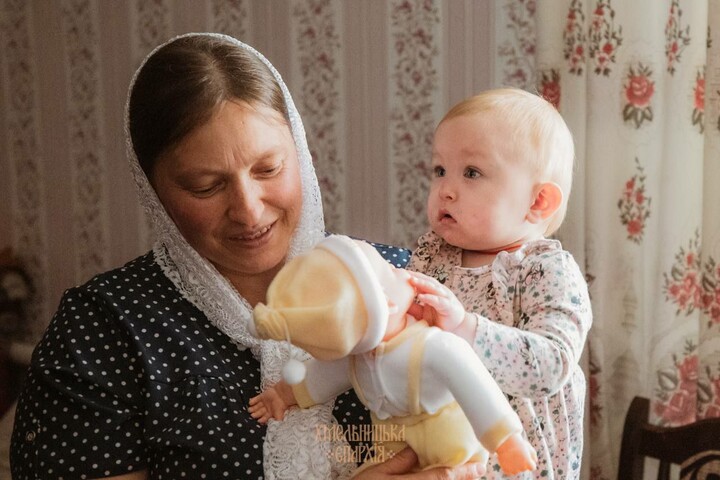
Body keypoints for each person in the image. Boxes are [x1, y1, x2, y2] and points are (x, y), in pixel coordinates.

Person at [9, 33, 485, 480]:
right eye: (206, 186)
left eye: (269, 168)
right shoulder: (102, 329)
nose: (248, 210)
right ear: (153, 192)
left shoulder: (409, 280)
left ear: (300, 153)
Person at [403, 88, 592, 479]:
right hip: (434, 451)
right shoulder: (431, 256)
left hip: (515, 464)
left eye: (471, 173)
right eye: (440, 170)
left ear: (538, 202)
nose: (445, 189)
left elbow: (551, 364)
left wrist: (465, 329)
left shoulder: (546, 271)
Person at [246, 234, 537, 476]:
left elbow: (475, 386)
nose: (401, 269)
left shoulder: (434, 346)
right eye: (390, 269)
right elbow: (321, 375)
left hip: (446, 434)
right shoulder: (357, 357)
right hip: (390, 439)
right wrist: (284, 395)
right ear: (386, 304)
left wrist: (506, 440)